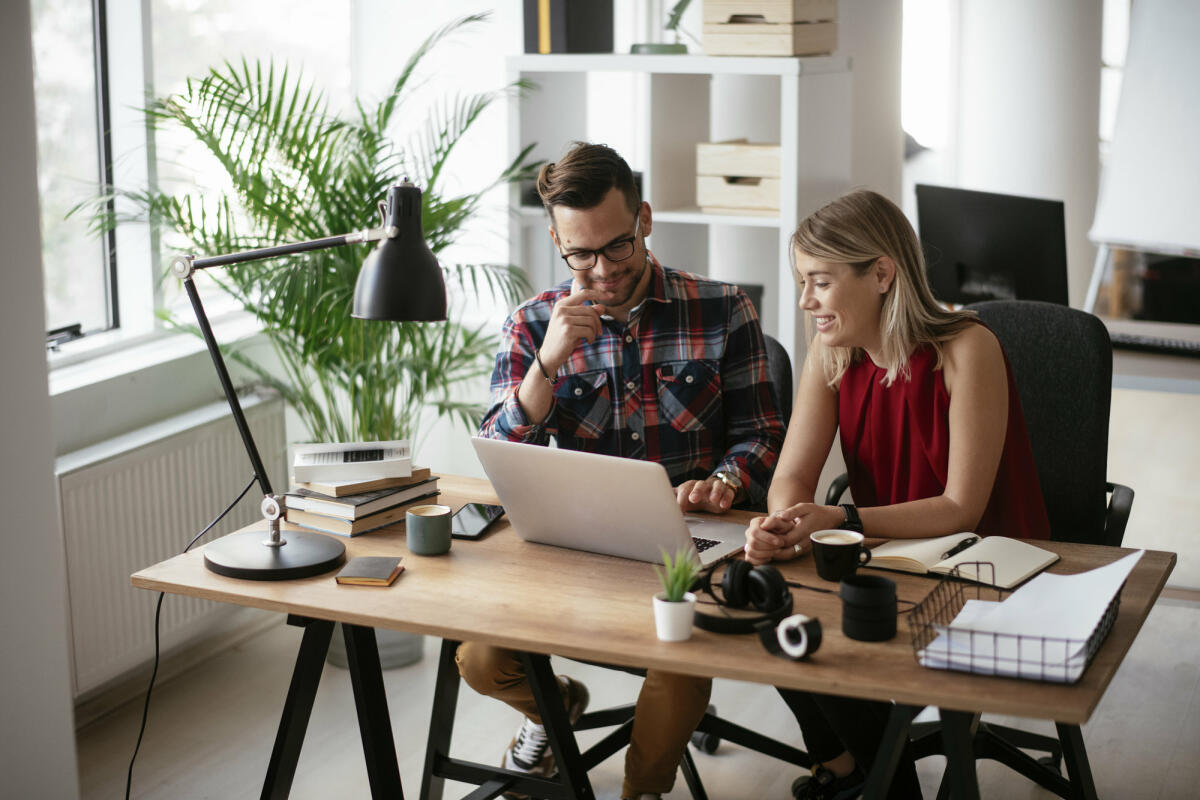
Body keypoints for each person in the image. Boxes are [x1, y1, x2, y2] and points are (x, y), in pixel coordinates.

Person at [462, 141, 786, 800]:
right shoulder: (530, 326)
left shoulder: (723, 310)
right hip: (578, 555)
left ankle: (642, 793)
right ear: (555, 236)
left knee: (679, 667)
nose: (602, 270)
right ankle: (553, 709)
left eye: (616, 247)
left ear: (643, 219)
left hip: (687, 552)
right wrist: (546, 366)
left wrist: (724, 482)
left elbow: (762, 437)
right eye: (579, 253)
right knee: (480, 658)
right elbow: (500, 453)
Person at [743, 189, 1051, 799]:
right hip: (887, 553)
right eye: (802, 282)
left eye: (820, 282)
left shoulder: (967, 349)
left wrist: (839, 517)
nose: (806, 302)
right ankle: (850, 769)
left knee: (831, 637)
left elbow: (961, 507)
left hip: (981, 561)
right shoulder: (832, 352)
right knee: (763, 606)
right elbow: (793, 475)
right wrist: (782, 521)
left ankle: (881, 784)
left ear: (882, 273)